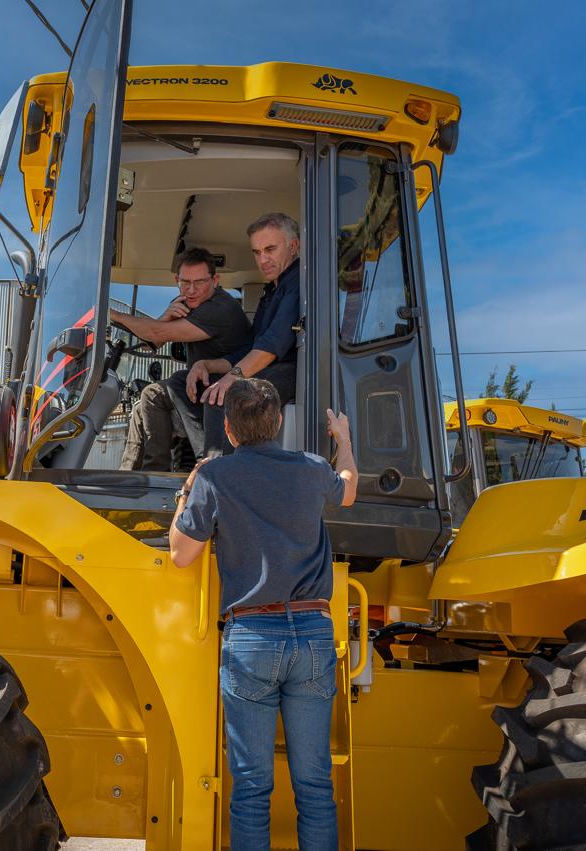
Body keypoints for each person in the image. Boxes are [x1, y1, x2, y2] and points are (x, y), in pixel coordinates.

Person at [168, 378, 358, 851]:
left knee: (251, 787)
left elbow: (180, 555)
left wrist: (189, 484)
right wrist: (344, 440)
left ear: (229, 429)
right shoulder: (313, 468)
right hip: (314, 633)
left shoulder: (216, 477)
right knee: (315, 784)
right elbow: (349, 490)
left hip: (252, 636)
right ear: (277, 425)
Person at [172, 212, 301, 458]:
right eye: (257, 252)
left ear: (293, 246)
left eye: (270, 249)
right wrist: (205, 365)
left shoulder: (297, 284)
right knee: (182, 380)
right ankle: (209, 461)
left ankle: (219, 471)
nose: (263, 259)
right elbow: (250, 347)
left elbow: (272, 345)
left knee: (226, 393)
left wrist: (232, 377)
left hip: (290, 369)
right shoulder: (271, 291)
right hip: (266, 366)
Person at [110, 247, 251, 471]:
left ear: (215, 280)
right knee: (143, 404)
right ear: (177, 279)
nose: (192, 290)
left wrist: (112, 314)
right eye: (185, 282)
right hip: (200, 385)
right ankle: (134, 479)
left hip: (226, 390)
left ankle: (169, 472)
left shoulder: (220, 309)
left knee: (157, 393)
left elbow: (155, 334)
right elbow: (151, 344)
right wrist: (166, 316)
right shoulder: (188, 301)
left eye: (200, 282)